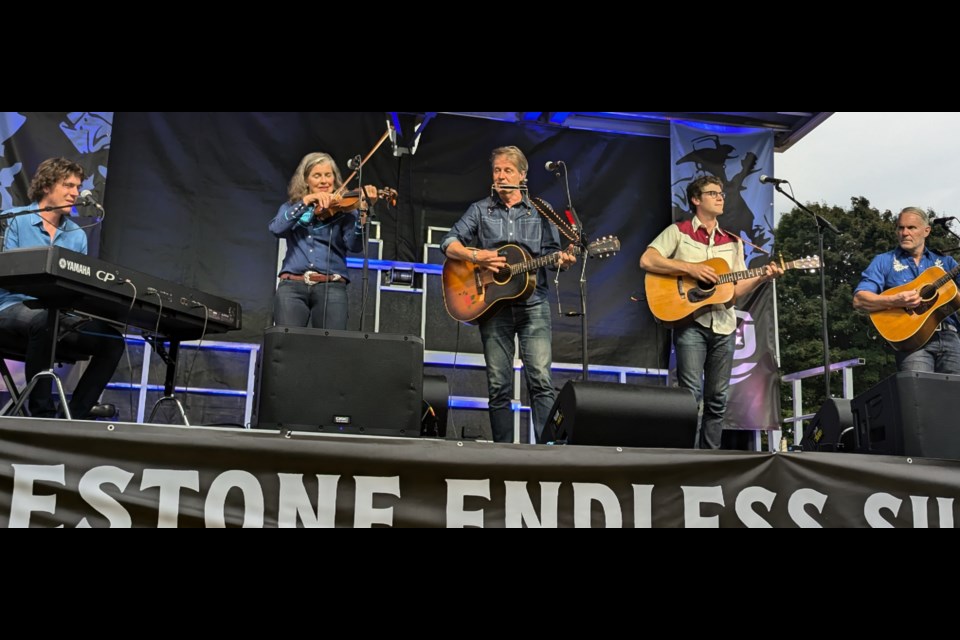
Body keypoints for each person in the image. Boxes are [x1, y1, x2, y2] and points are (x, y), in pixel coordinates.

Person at [441, 146, 576, 443]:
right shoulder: (480, 210)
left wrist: (562, 261)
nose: (501, 176)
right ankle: (503, 451)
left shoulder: (542, 211)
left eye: (508, 170)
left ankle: (546, 449)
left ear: (523, 175)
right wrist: (478, 257)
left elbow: (553, 255)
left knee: (541, 381)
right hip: (493, 305)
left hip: (534, 304)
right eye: (497, 170)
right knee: (498, 385)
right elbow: (449, 243)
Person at [640, 175, 782, 449]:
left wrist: (763, 277)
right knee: (691, 396)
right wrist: (690, 268)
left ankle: (711, 459)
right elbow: (648, 259)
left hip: (724, 326)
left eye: (722, 194)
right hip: (691, 323)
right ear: (696, 199)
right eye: (713, 193)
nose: (720, 197)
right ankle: (687, 456)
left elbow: (734, 289)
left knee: (718, 399)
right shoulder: (678, 231)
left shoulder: (733, 242)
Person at [0, 157, 124, 419]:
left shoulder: (77, 235)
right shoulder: (15, 220)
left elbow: (75, 286)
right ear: (47, 186)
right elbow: (11, 274)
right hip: (12, 307)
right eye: (68, 185)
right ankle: (42, 413)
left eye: (78, 187)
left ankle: (72, 416)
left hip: (56, 313)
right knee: (46, 321)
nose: (75, 193)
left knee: (112, 341)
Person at [269, 152, 378, 329]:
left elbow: (355, 246)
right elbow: (276, 228)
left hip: (331, 287)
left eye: (328, 175)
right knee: (287, 345)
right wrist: (306, 201)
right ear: (305, 180)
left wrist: (363, 215)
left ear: (335, 179)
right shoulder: (291, 207)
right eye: (317, 175)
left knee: (330, 348)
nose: (324, 181)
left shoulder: (345, 210)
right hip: (292, 287)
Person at [853, 207, 960, 374]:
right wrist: (895, 300)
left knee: (955, 397)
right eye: (900, 227)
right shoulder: (884, 261)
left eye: (911, 228)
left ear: (926, 231)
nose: (904, 232)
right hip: (913, 343)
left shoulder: (946, 262)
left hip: (950, 337)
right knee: (919, 397)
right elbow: (859, 300)